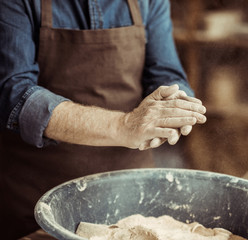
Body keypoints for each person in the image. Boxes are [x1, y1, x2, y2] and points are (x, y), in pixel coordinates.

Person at [0, 0, 206, 239]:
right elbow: (13, 94)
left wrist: (174, 102)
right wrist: (124, 125)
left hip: (132, 195)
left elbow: (166, 72)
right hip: (36, 197)